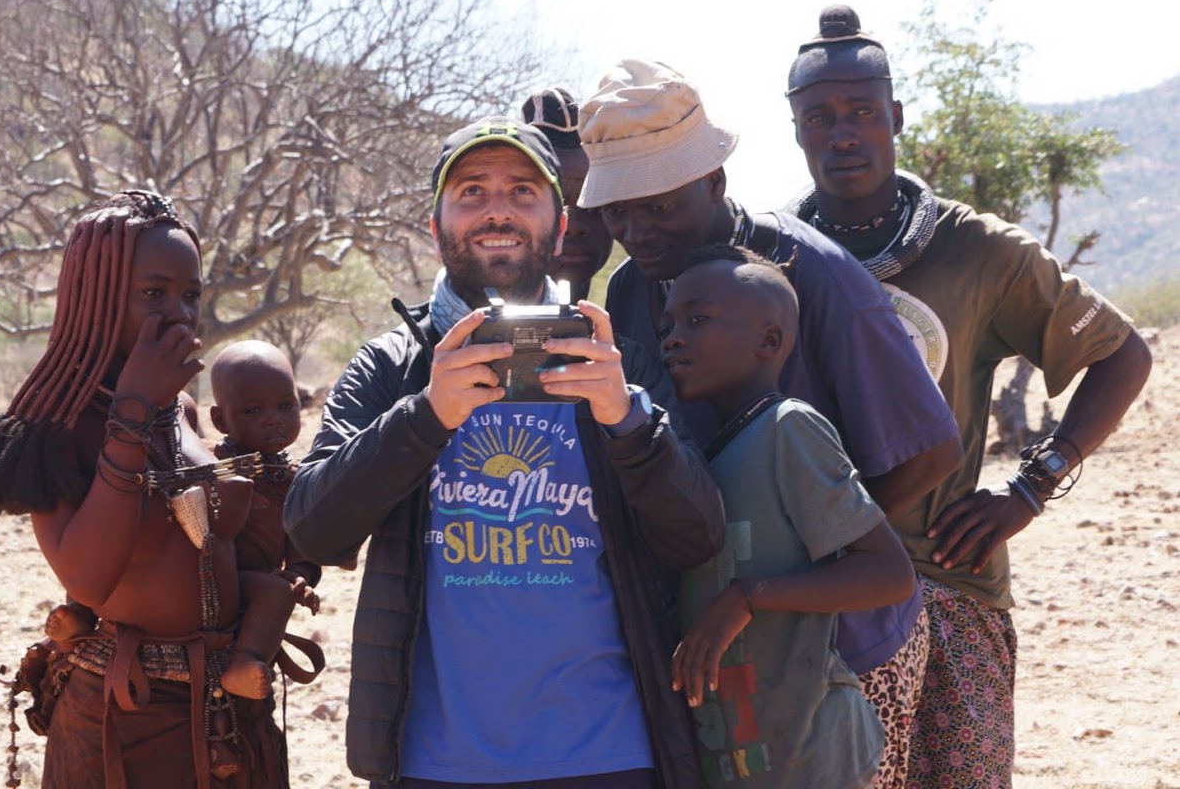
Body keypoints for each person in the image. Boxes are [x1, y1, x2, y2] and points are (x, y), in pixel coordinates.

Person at [284, 117, 725, 789]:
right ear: (436, 226)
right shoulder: (393, 367)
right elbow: (311, 529)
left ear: (559, 222)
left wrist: (627, 419)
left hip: (608, 755)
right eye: (470, 191)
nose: (497, 210)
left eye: (523, 191)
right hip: (434, 762)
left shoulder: (618, 364)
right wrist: (425, 416)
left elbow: (697, 537)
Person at [783, 5, 1153, 788]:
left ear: (896, 117)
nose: (842, 133)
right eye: (820, 117)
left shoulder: (979, 251)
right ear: (795, 130)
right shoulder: (771, 256)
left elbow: (1121, 353)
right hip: (813, 587)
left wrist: (1030, 488)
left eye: (861, 113)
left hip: (948, 580)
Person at [580, 58, 962, 788]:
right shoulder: (631, 289)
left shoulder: (811, 273)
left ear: (714, 183)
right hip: (725, 644)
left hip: (841, 643)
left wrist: (810, 556)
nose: (637, 229)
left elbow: (929, 447)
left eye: (656, 205)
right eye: (617, 212)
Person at [0, 190, 290, 788]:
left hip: (229, 709)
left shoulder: (181, 410)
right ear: (98, 301)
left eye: (191, 295)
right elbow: (87, 578)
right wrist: (131, 410)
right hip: (124, 714)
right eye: (153, 294)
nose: (179, 314)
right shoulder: (58, 426)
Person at [664, 245, 916, 788]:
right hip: (749, 755)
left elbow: (888, 573)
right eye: (669, 324)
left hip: (812, 748)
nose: (673, 338)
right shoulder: (709, 454)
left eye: (697, 319)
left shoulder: (788, 429)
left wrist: (747, 598)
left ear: (770, 340)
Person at [207, 340, 324, 700]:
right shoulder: (211, 465)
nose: (273, 418)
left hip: (259, 585)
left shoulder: (294, 479)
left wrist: (301, 577)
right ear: (220, 420)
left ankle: (247, 664)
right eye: (253, 410)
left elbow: (303, 545)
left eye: (285, 406)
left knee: (277, 592)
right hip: (212, 580)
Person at [522, 86, 614, 302]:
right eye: (554, 206)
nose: (573, 227)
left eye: (593, 207)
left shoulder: (638, 309)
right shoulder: (455, 326)